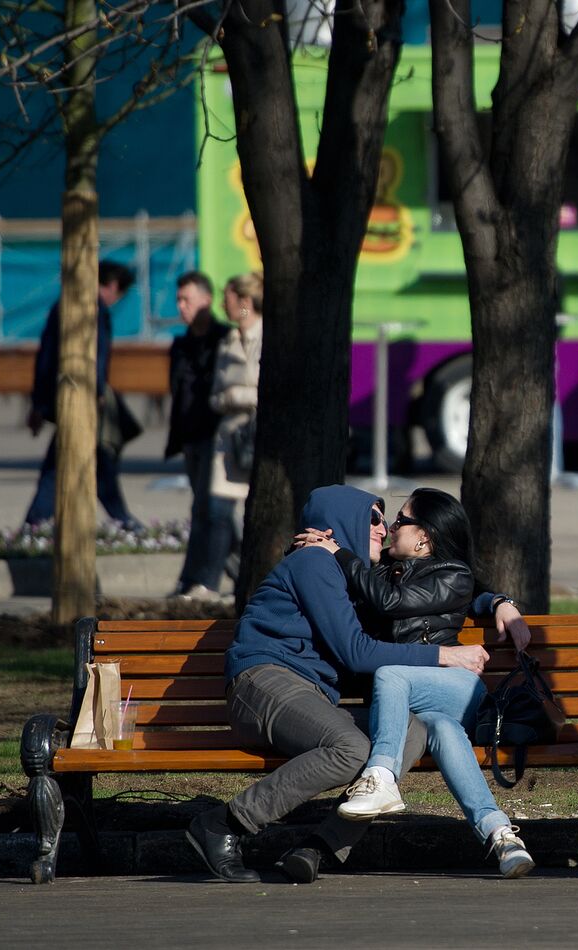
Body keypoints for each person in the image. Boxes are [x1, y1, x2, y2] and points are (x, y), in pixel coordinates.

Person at [186, 485, 490, 884]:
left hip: (307, 698)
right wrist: (445, 656)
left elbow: (439, 585)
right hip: (264, 685)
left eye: (390, 519)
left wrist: (497, 601)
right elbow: (357, 653)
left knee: (408, 732)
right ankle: (226, 823)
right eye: (375, 518)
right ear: (336, 525)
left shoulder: (341, 572)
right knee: (352, 748)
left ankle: (320, 846)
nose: (384, 528)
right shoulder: (314, 562)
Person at [293, 488, 538, 877]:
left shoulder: (452, 575)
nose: (390, 528)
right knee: (441, 730)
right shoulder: (382, 567)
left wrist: (336, 552)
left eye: (401, 521)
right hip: (415, 707)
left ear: (425, 535)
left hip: (455, 686)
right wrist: (496, 599)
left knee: (391, 674)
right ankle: (500, 835)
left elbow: (391, 602)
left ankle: (381, 777)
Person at [23, 260, 143, 530]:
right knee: (75, 466)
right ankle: (125, 524)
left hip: (63, 397)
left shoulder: (61, 305)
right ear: (112, 286)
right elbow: (96, 355)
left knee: (70, 465)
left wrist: (39, 404)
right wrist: (98, 391)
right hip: (82, 400)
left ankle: (34, 526)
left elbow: (45, 356)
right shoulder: (94, 310)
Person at [196, 272, 263, 599]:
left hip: (254, 439)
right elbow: (215, 394)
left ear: (245, 303)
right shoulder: (230, 340)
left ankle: (242, 582)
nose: (224, 303)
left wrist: (237, 395)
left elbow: (266, 391)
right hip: (229, 441)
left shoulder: (264, 338)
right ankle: (211, 583)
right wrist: (229, 397)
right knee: (219, 513)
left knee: (253, 515)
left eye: (229, 297)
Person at [164, 272, 229, 598]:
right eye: (178, 300)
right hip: (189, 437)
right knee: (206, 511)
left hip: (217, 438)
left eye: (186, 299)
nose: (181, 306)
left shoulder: (224, 339)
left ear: (206, 300)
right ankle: (200, 577)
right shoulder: (182, 344)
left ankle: (201, 581)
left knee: (210, 510)